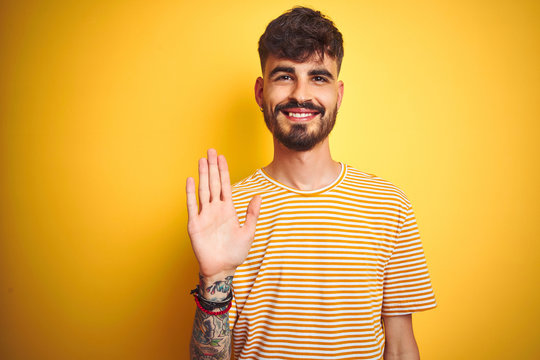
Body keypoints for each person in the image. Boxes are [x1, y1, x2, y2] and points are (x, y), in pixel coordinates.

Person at [186, 6, 436, 360]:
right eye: (284, 76)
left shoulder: (389, 205)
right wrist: (215, 279)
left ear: (339, 93)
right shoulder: (225, 211)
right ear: (260, 92)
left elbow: (400, 346)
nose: (301, 94)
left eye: (318, 77)